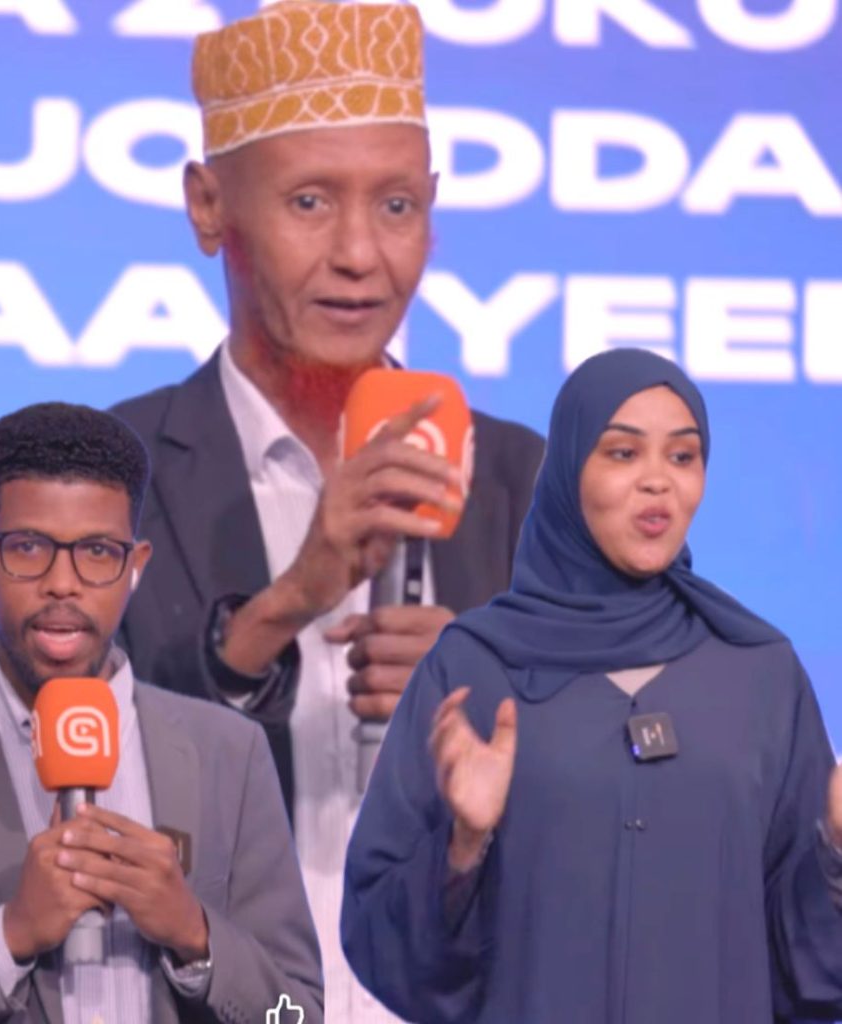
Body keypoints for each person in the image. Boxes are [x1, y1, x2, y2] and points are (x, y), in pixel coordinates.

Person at [112, 4, 543, 1018]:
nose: (360, 253)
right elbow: (28, 751)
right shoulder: (110, 472)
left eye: (396, 205)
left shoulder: (529, 481)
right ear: (208, 205)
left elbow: (646, 794)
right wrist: (280, 609)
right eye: (309, 201)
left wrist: (498, 698)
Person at [341, 348, 842, 1023]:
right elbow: (380, 940)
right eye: (623, 453)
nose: (658, 482)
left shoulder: (759, 673)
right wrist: (463, 846)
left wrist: (835, 854)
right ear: (569, 470)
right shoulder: (476, 666)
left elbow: (805, 973)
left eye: (683, 456)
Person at [0, 402, 322, 1024]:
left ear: (135, 566)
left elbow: (295, 1015)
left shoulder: (229, 752)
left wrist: (195, 936)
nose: (63, 582)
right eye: (29, 547)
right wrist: (6, 939)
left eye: (98, 551)